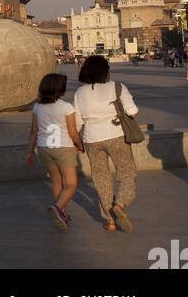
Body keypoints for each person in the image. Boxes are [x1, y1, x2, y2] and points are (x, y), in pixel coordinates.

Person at [74, 54, 139, 232]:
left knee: (101, 178)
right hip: (116, 135)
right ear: (106, 71)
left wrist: (76, 141)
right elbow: (133, 111)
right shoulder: (117, 87)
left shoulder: (80, 92)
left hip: (91, 139)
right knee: (127, 174)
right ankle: (120, 203)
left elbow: (78, 121)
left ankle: (110, 221)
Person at [26, 72, 84, 231]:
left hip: (44, 148)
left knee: (56, 181)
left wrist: (30, 152)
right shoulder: (66, 107)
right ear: (60, 90)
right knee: (71, 184)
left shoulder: (37, 106)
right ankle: (57, 207)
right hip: (63, 147)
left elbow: (33, 131)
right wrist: (80, 145)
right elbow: (73, 133)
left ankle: (62, 214)